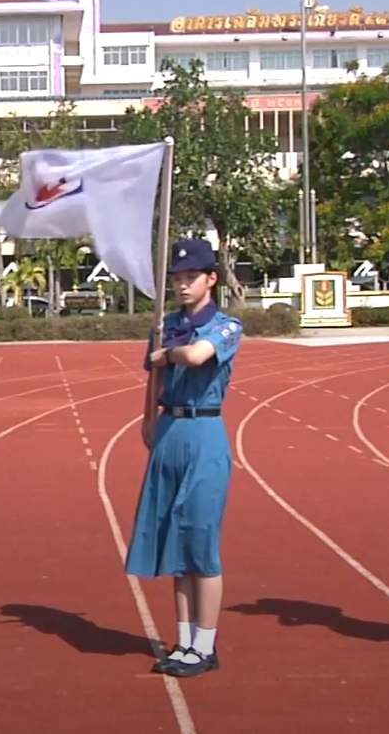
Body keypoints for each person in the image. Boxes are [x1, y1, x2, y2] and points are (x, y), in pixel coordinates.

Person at [126, 238, 243, 679]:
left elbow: (195, 356)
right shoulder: (164, 324)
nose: (182, 284)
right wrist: (146, 419)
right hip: (169, 430)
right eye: (176, 278)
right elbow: (152, 376)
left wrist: (168, 353)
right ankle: (182, 639)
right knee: (173, 543)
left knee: (200, 541)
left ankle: (206, 644)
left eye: (190, 277)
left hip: (203, 431)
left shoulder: (226, 326)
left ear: (211, 279)